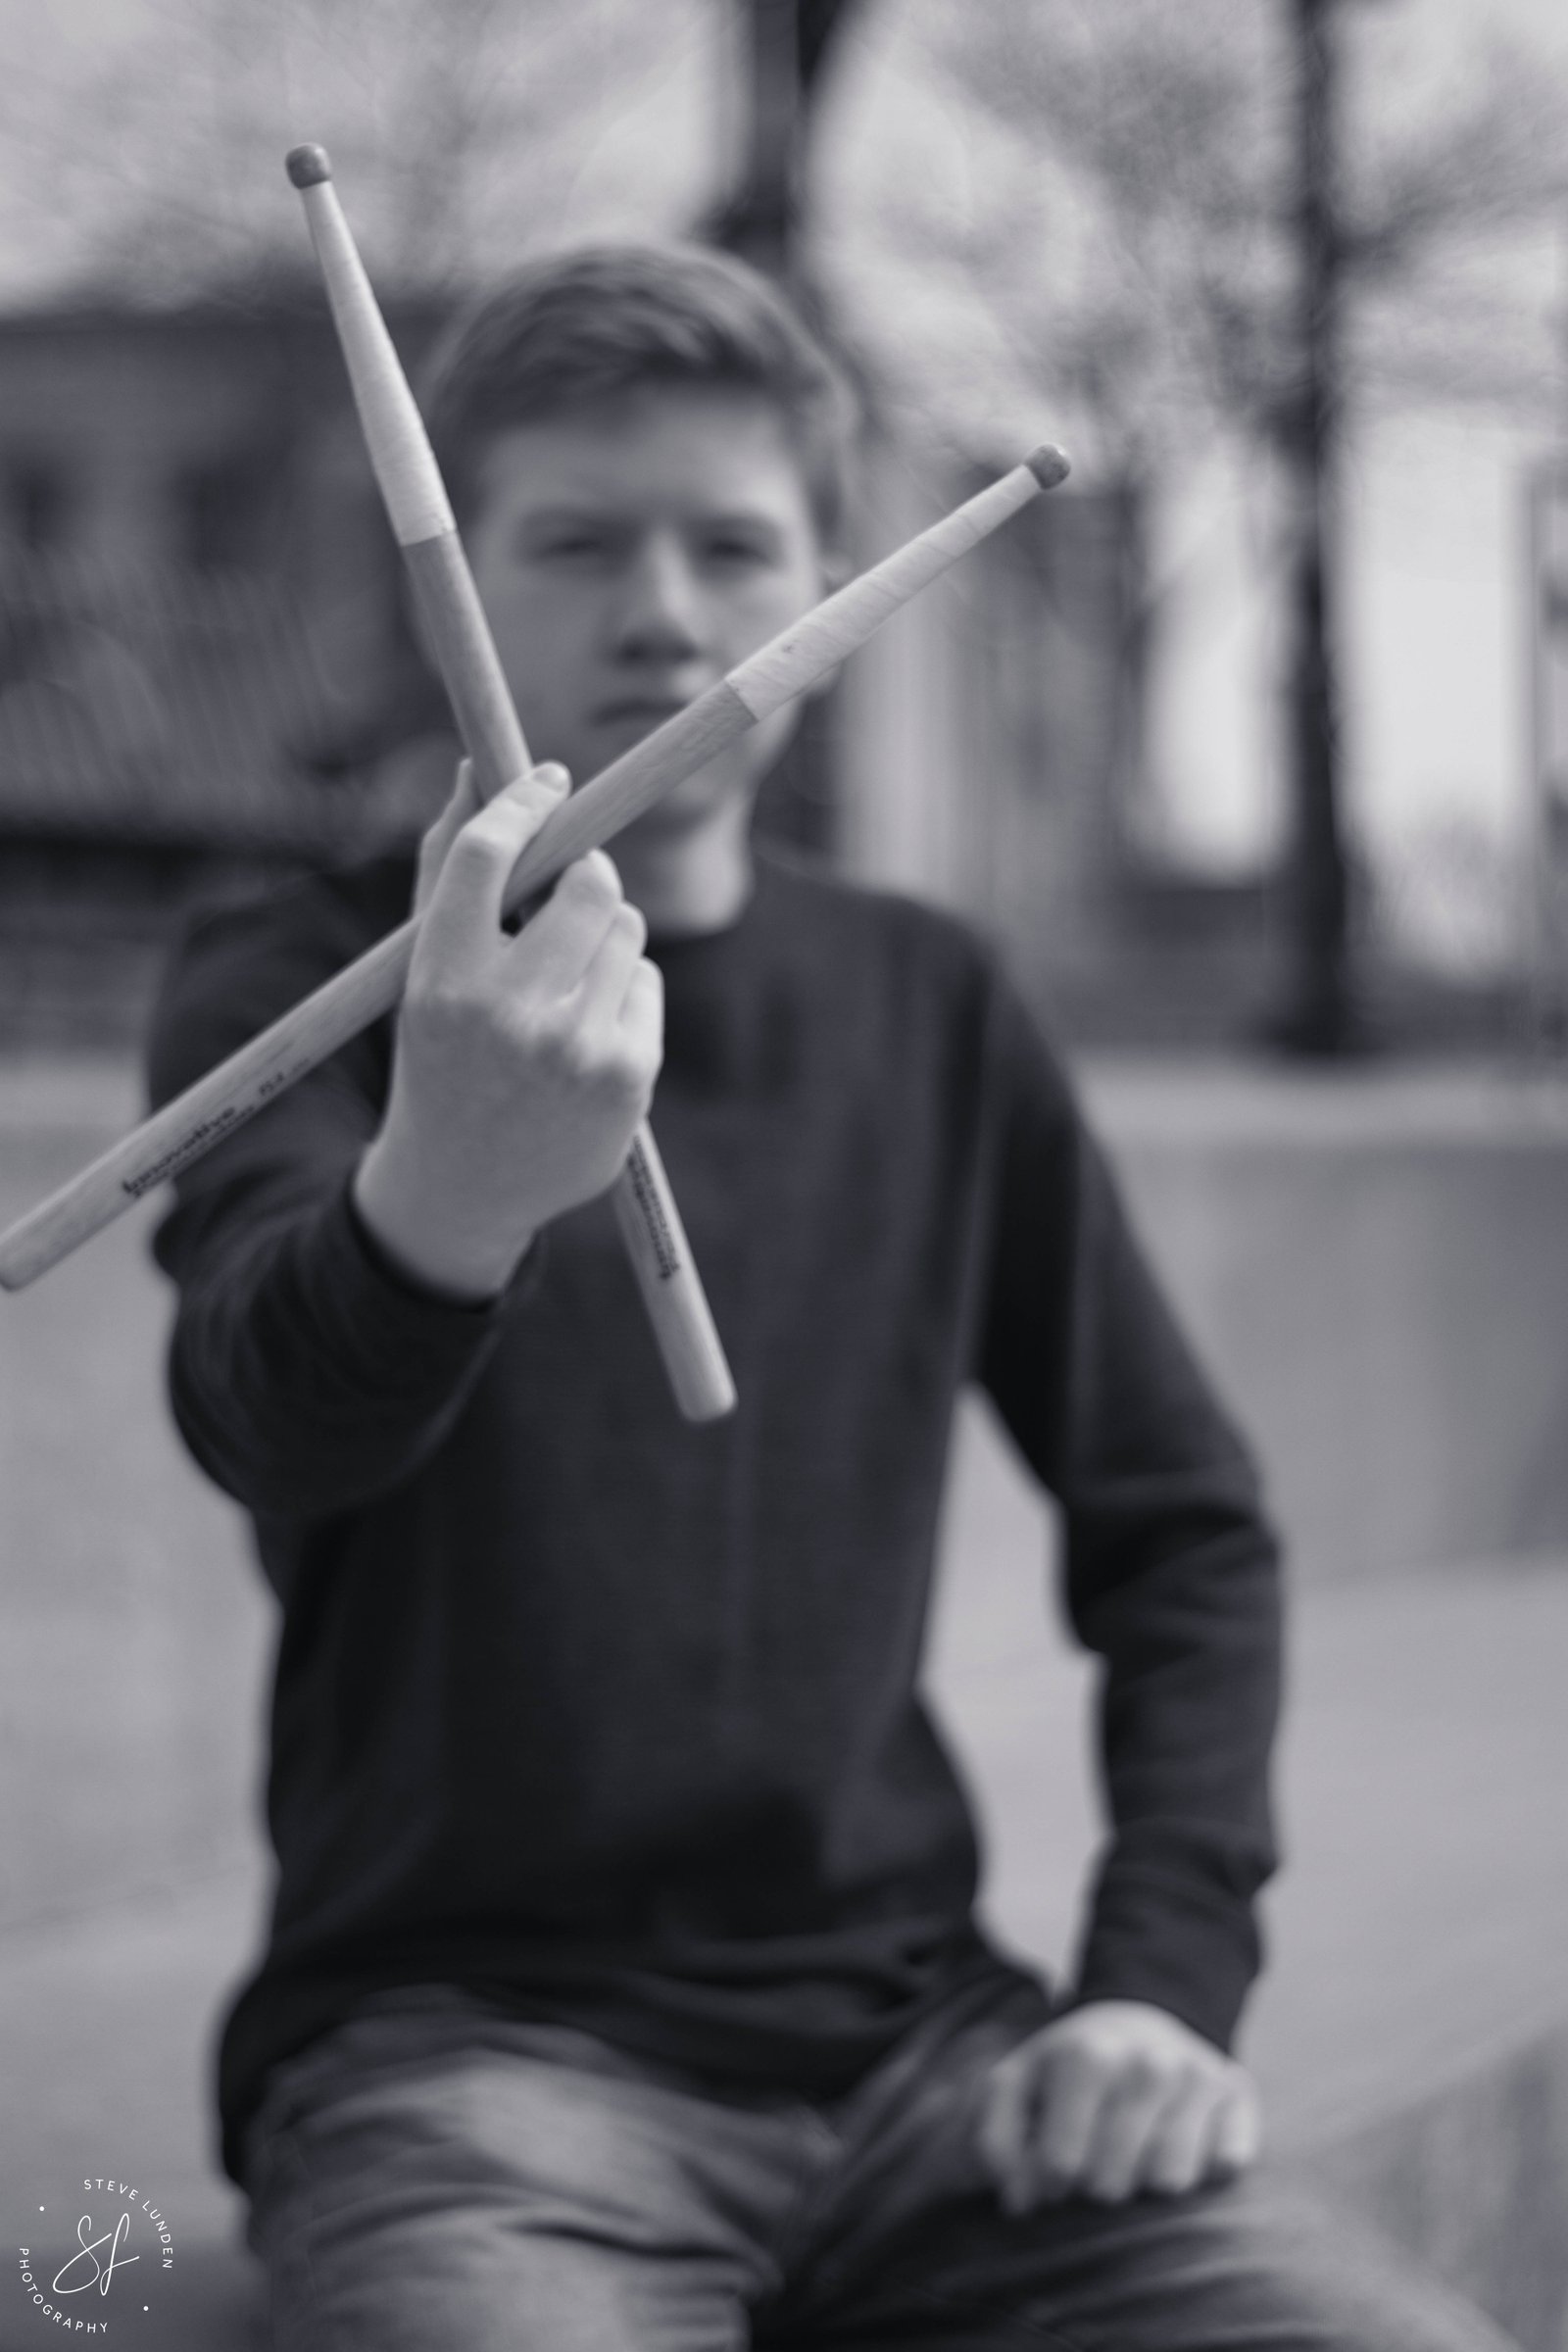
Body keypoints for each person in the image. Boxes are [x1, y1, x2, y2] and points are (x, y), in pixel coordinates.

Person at [148, 244, 1516, 2350]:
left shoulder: (929, 1001)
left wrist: (1161, 1983)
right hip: (457, 2066)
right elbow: (267, 1421)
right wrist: (447, 1194)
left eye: (735, 545)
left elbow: (1184, 1534)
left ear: (827, 593)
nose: (667, 615)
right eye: (576, 541)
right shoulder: (294, 987)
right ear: (452, 588)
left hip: (928, 2061)